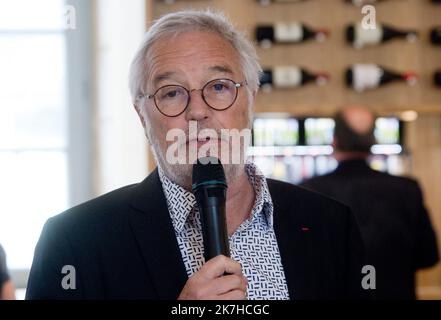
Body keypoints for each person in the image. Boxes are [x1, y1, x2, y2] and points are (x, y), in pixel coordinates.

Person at [26, 10, 368, 300]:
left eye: (218, 87)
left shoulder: (331, 226)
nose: (198, 112)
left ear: (251, 100)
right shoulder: (75, 242)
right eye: (172, 93)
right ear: (142, 116)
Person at [300, 105, 439, 299]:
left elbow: (300, 262)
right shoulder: (407, 189)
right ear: (373, 141)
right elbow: (428, 257)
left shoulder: (308, 191)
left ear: (335, 141)